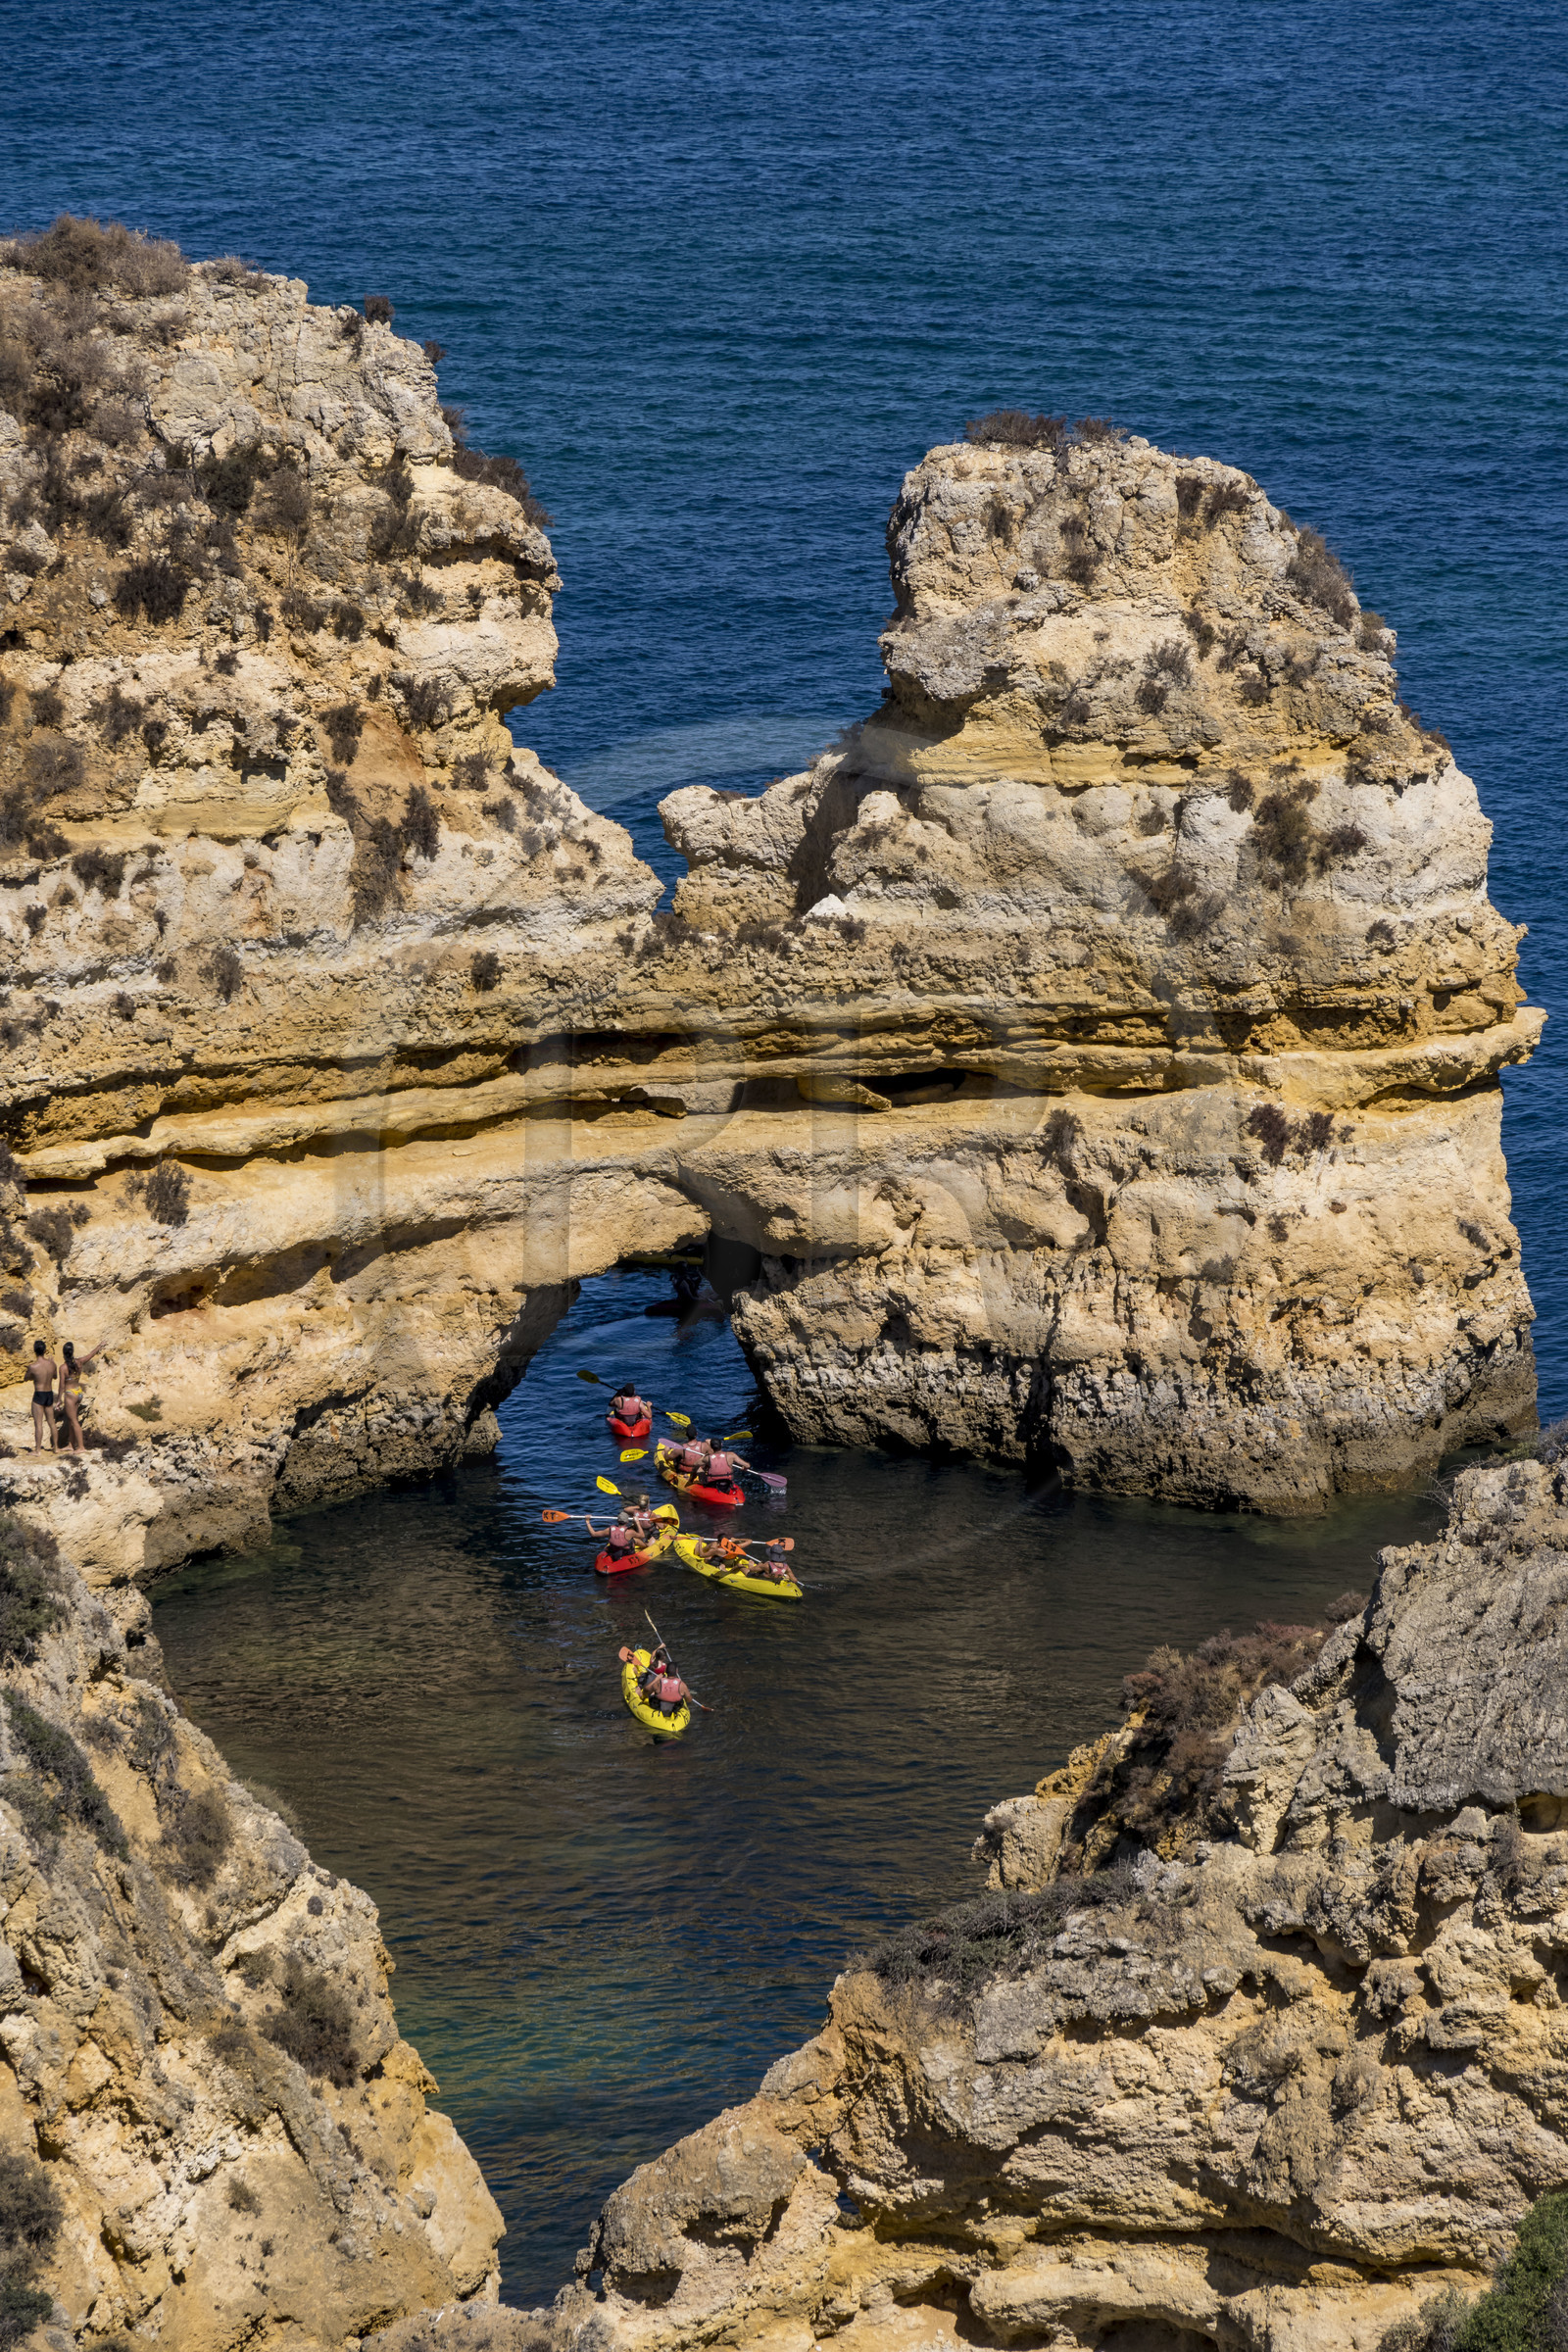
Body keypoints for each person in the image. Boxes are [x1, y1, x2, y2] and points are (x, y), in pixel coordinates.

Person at [59, 1340, 103, 1456]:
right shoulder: (79, 1362)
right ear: (72, 1352)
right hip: (78, 1392)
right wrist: (99, 1346)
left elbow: (61, 1385)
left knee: (74, 1421)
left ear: (63, 1353)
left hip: (70, 1394)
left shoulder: (63, 1368)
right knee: (71, 1420)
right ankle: (71, 1445)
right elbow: (90, 1355)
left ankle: (81, 1447)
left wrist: (59, 1399)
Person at [26, 1340, 59, 1453]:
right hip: (49, 1393)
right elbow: (55, 1376)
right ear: (45, 1350)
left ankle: (38, 1450)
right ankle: (56, 1448)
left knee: (38, 1424)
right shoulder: (52, 1364)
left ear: (34, 1351)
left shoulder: (33, 1367)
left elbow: (27, 1378)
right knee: (52, 1422)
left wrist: (33, 1376)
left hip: (39, 1394)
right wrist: (52, 1364)